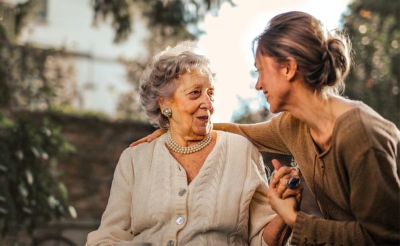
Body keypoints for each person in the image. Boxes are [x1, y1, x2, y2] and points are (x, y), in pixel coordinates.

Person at [130, 11, 400, 245]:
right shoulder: (294, 125)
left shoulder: (359, 135)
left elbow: (384, 237)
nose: (258, 85)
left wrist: (293, 218)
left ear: (288, 68)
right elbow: (242, 132)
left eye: (260, 70)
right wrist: (176, 128)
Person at [86, 41, 302, 246]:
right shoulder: (135, 159)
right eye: (195, 93)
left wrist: (284, 214)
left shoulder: (241, 151)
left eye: (211, 94)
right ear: (164, 103)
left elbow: (263, 240)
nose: (207, 104)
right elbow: (107, 237)